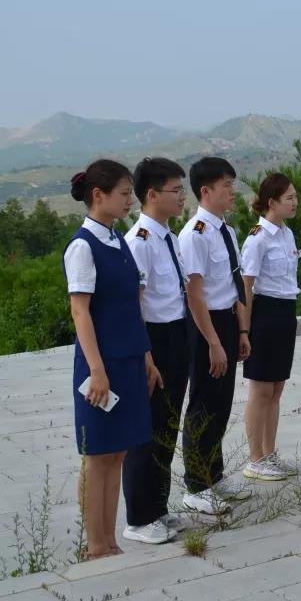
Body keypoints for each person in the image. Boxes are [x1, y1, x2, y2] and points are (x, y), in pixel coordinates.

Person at [63, 160, 160, 559]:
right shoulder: (83, 246)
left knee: (118, 451)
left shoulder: (118, 240)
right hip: (101, 365)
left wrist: (146, 354)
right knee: (97, 454)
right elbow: (80, 311)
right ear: (97, 195)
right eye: (123, 194)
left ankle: (110, 539)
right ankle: (95, 543)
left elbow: (132, 305)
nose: (129, 201)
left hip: (129, 358)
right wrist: (97, 370)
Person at [177, 156, 252, 514]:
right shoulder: (194, 235)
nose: (232, 192)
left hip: (227, 321)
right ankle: (196, 485)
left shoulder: (227, 231)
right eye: (226, 186)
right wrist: (213, 342)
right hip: (205, 326)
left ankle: (214, 475)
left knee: (221, 403)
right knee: (203, 404)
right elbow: (195, 293)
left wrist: (241, 330)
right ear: (206, 191)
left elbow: (233, 284)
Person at [121, 157, 189, 544]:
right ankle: (138, 517)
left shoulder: (169, 237)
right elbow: (136, 305)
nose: (182, 197)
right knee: (146, 430)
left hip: (177, 334)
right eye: (175, 190)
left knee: (167, 425)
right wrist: (146, 355)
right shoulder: (140, 242)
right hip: (154, 341)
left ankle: (158, 508)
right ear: (151, 194)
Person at [240, 173, 301, 481]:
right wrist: (244, 330)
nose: (295, 202)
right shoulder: (257, 238)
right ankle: (255, 459)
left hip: (285, 312)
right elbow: (246, 287)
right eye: (289, 198)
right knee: (261, 389)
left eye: (295, 197)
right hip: (264, 314)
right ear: (272, 202)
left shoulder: (287, 234)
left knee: (276, 388)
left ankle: (269, 452)